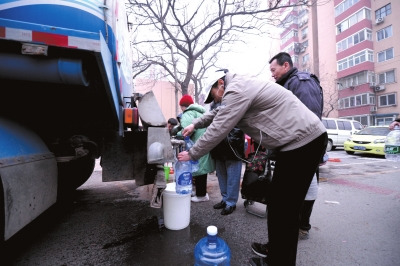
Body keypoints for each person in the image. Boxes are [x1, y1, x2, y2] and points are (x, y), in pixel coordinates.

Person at [177, 71, 327, 266]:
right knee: (278, 204)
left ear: (220, 83)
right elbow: (216, 113)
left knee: (285, 210)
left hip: (304, 143)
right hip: (294, 145)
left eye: (214, 94)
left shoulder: (237, 89)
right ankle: (275, 250)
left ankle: (279, 260)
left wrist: (193, 153)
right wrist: (195, 124)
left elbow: (220, 125)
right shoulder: (238, 88)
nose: (215, 99)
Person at [265, 51, 324, 244]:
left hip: (300, 148)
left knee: (299, 192)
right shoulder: (287, 83)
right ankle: (293, 230)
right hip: (291, 147)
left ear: (286, 66)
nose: (272, 74)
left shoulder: (301, 82)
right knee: (293, 194)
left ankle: (300, 227)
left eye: (274, 70)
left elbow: (308, 120)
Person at [205, 84, 245, 215]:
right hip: (218, 145)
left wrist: (230, 138)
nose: (212, 95)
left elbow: (240, 123)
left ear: (220, 87)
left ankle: (231, 203)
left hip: (232, 145)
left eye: (212, 92)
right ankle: (225, 198)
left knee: (233, 176)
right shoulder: (213, 105)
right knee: (221, 174)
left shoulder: (234, 98)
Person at [177, 94, 215, 202]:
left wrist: (177, 133)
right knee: (202, 169)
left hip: (197, 143)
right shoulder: (200, 112)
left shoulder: (188, 113)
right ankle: (200, 192)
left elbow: (187, 130)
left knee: (199, 169)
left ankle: (201, 195)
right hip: (205, 142)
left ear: (182, 106)